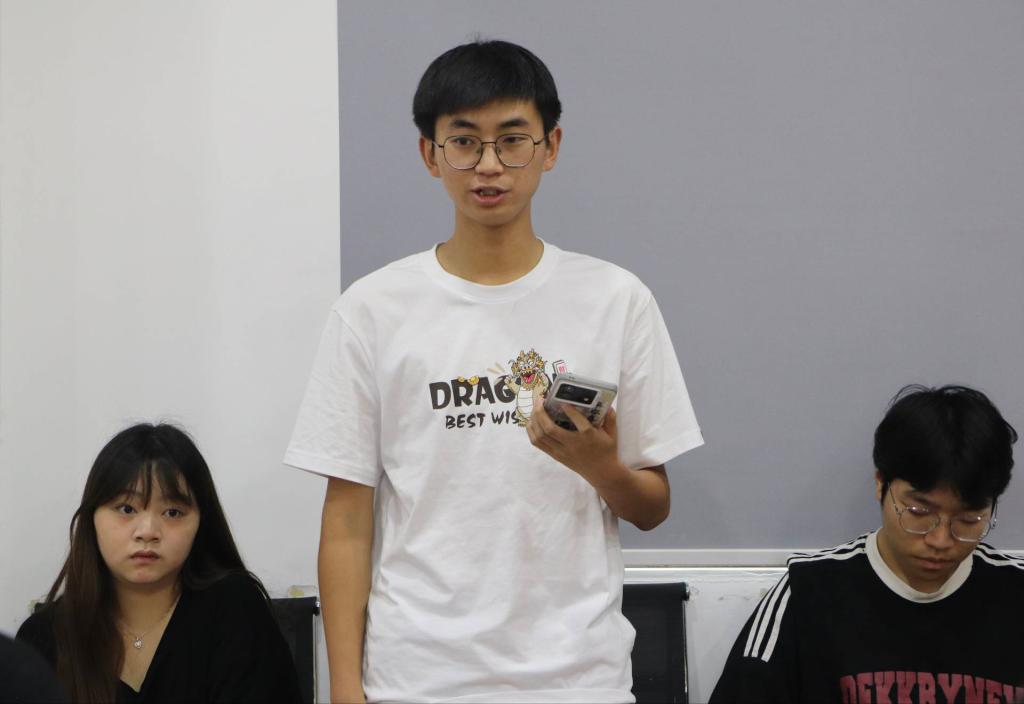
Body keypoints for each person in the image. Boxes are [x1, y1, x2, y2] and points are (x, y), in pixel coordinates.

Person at [285, 39, 703, 703]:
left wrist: (599, 466)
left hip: (577, 679)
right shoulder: (371, 310)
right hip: (418, 680)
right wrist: (343, 688)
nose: (489, 165)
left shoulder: (616, 300)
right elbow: (347, 520)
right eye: (464, 142)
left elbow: (652, 507)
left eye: (512, 141)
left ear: (550, 146)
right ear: (430, 154)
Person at [710, 385, 1023, 704]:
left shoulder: (1015, 593)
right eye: (919, 512)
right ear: (880, 484)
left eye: (968, 520)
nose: (940, 540)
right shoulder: (807, 596)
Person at [16, 423, 302, 704]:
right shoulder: (44, 638)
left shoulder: (235, 609)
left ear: (201, 523)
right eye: (126, 509)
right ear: (92, 519)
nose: (147, 531)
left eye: (173, 512)